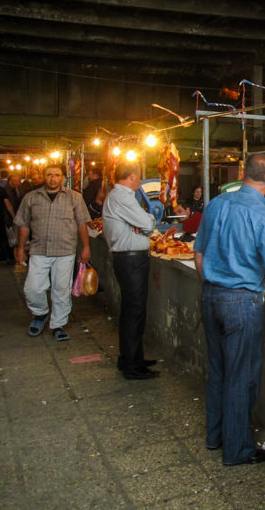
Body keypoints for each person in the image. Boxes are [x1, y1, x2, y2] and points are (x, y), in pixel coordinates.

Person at [193, 153, 265, 466]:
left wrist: (216, 283)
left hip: (210, 296)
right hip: (241, 303)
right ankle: (238, 449)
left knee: (218, 370)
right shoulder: (264, 214)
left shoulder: (217, 204)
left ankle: (215, 437)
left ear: (244, 174)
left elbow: (200, 256)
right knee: (241, 377)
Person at [14, 164, 91, 341]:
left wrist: (86, 247)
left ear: (63, 177)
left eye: (56, 175)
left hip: (65, 251)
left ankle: (58, 324)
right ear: (43, 176)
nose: (52, 178)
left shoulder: (74, 198)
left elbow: (82, 224)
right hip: (38, 250)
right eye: (49, 175)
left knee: (61, 289)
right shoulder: (31, 197)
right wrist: (20, 248)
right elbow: (24, 225)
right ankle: (41, 313)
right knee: (32, 288)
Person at [103, 162, 159, 380]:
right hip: (131, 260)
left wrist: (141, 225)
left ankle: (131, 357)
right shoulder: (122, 197)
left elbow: (142, 225)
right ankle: (132, 366)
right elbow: (148, 222)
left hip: (129, 260)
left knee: (132, 311)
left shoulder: (119, 197)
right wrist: (146, 223)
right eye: (139, 177)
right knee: (134, 312)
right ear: (133, 177)